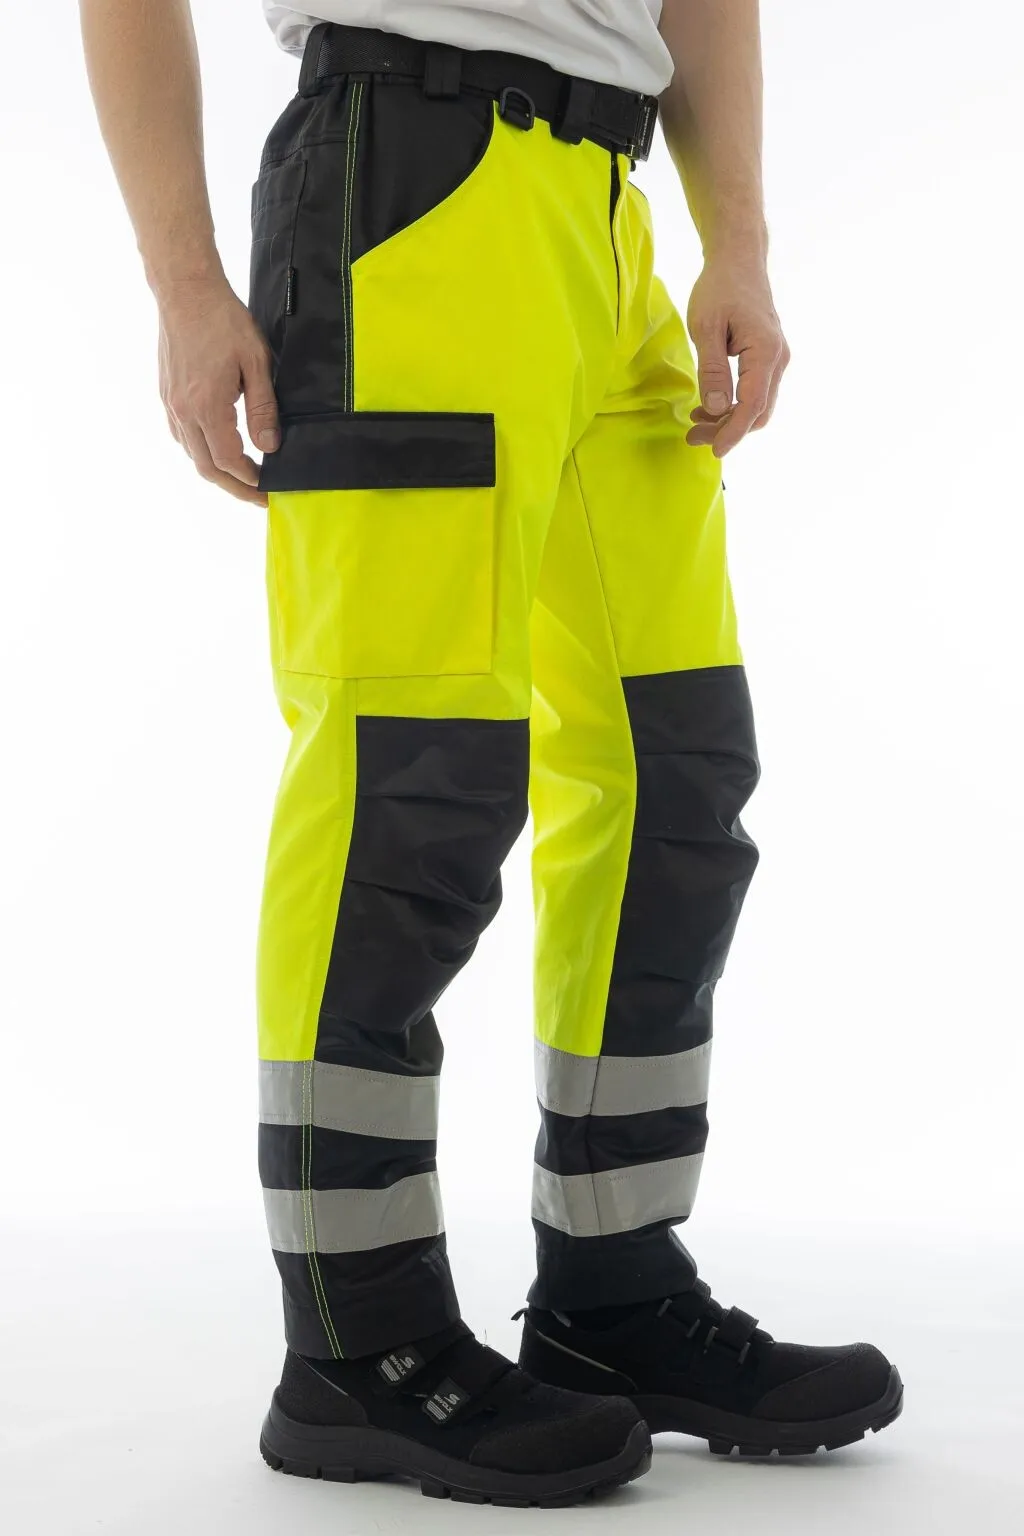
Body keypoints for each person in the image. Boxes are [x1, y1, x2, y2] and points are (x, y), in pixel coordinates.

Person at [81, 0, 903, 1508]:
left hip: (609, 218)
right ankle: (355, 1336)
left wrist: (737, 243)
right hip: (407, 187)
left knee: (671, 772)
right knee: (408, 778)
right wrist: (186, 289)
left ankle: (613, 1286)